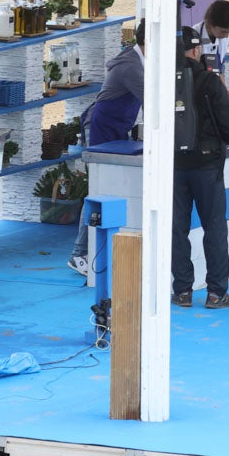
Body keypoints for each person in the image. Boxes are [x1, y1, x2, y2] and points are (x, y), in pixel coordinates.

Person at [171, 26, 229, 309]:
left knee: (177, 228)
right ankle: (216, 293)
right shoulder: (209, 81)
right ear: (197, 50)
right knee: (214, 228)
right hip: (207, 165)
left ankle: (183, 291)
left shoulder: (165, 81)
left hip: (175, 165)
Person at [70, 20, 146, 275]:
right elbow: (153, 99)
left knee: (106, 187)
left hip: (116, 126)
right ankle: (80, 253)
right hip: (102, 127)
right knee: (98, 188)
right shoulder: (131, 67)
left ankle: (89, 247)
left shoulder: (139, 61)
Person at [197, 0, 229, 74]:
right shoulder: (193, 37)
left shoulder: (223, 37)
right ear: (210, 24)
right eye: (223, 31)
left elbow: (219, 71)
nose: (226, 36)